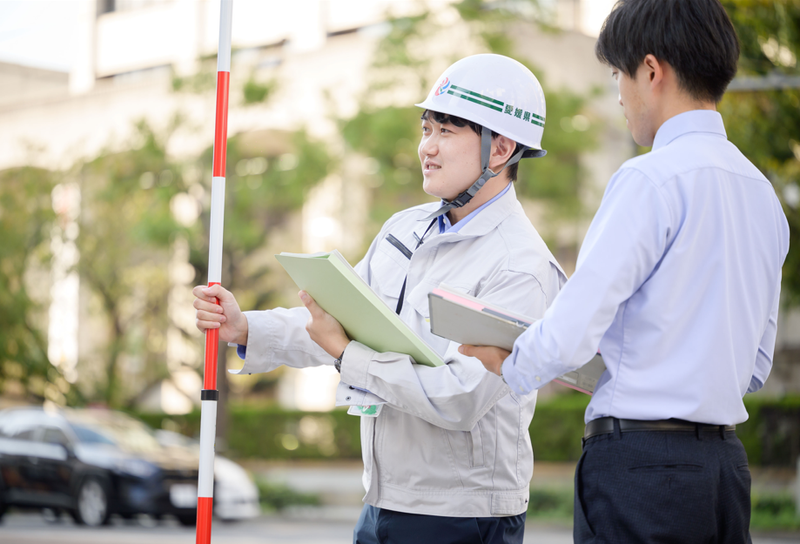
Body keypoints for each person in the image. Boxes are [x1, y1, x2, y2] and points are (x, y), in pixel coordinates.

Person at [193, 54, 566, 544]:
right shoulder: (404, 229)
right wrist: (246, 328)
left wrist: (347, 356)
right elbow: (339, 321)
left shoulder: (522, 267)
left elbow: (460, 398)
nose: (426, 148)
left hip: (462, 519)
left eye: (446, 132)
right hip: (380, 504)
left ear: (501, 148)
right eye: (426, 128)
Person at [461, 1, 791, 543]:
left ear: (651, 71)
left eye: (618, 74)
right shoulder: (763, 196)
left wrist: (511, 362)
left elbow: (571, 330)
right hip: (725, 471)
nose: (618, 94)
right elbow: (754, 366)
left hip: (640, 469)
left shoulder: (648, 180)